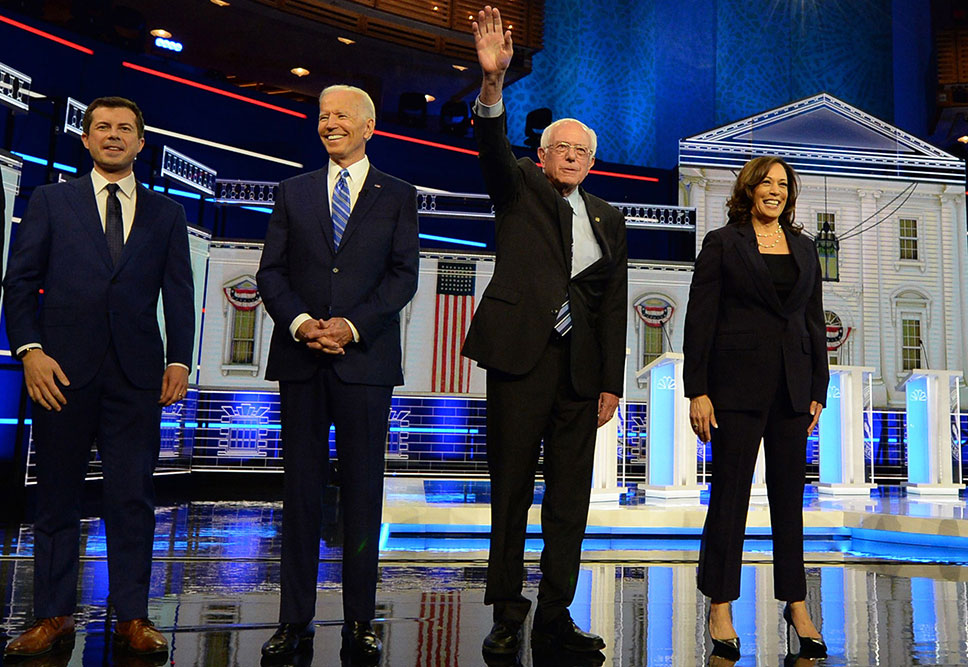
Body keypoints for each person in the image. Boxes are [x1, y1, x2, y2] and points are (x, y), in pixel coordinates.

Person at [461, 6, 628, 658]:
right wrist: (493, 85)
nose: (576, 157)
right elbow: (490, 148)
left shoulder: (609, 218)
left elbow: (613, 303)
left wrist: (611, 382)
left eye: (585, 151)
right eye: (565, 148)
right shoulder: (518, 186)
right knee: (511, 489)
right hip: (519, 359)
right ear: (543, 154)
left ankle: (556, 612)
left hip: (581, 373)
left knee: (569, 498)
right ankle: (508, 611)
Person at [2, 97, 194, 658]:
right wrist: (30, 350)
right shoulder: (51, 201)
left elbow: (179, 295)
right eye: (102, 127)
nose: (113, 136)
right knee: (57, 497)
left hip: (137, 377)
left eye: (125, 129)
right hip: (59, 373)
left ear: (140, 143)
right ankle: (53, 616)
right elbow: (20, 283)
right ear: (85, 139)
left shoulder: (167, 214)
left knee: (132, 497)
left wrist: (179, 359)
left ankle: (131, 617)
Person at [256, 84, 419, 663]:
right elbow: (270, 272)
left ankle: (359, 620)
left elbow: (403, 277)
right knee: (299, 494)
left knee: (362, 497)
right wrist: (302, 323)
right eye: (323, 115)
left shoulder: (399, 195)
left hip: (365, 363)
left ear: (369, 126)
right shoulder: (292, 191)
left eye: (341, 115)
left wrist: (351, 326)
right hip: (301, 361)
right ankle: (292, 619)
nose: (329, 123)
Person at [682, 156, 829, 660]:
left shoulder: (806, 249)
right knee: (729, 499)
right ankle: (720, 603)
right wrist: (696, 390)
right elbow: (700, 319)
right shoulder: (723, 243)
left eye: (783, 184)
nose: (776, 190)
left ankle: (796, 602)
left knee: (791, 501)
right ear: (749, 190)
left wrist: (819, 388)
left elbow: (814, 323)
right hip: (734, 391)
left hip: (793, 390)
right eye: (766, 182)